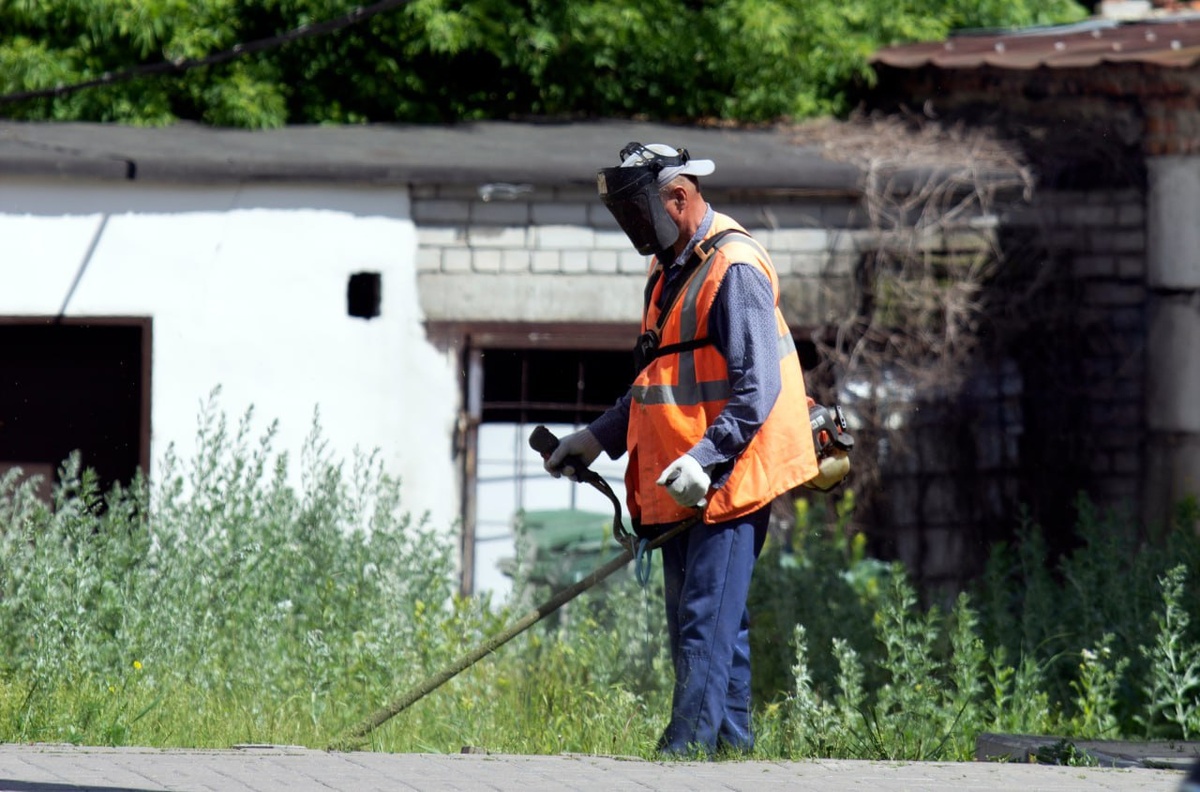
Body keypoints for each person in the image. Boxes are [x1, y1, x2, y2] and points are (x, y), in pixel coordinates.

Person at [543, 142, 821, 757]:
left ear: (679, 196)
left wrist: (706, 458)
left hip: (728, 478)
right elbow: (656, 380)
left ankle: (684, 754)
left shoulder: (735, 267)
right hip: (683, 481)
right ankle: (731, 751)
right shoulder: (669, 270)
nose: (636, 227)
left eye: (641, 211)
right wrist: (593, 440)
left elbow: (759, 387)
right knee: (719, 626)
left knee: (702, 622)